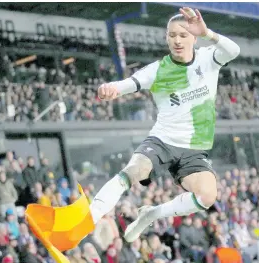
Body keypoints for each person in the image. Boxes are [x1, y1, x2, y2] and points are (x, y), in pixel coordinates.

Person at [91, 6, 240, 243]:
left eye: (183, 35)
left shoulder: (208, 58)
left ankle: (151, 214)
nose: (177, 40)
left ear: (194, 36)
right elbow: (127, 84)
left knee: (207, 197)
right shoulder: (157, 70)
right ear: (166, 39)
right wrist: (110, 89)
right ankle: (91, 215)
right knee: (136, 171)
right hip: (163, 141)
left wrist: (208, 33)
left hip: (193, 149)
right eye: (172, 36)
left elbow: (234, 50)